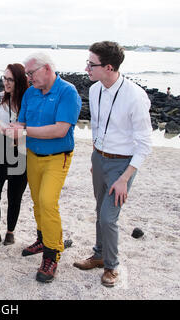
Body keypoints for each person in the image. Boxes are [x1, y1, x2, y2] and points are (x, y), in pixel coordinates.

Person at [0, 52, 81, 283]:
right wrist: (5, 126)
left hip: (56, 157)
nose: (28, 78)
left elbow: (60, 129)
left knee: (48, 202)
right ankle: (42, 238)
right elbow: (23, 123)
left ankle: (52, 254)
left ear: (47, 69)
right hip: (32, 155)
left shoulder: (67, 92)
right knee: (39, 202)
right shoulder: (31, 93)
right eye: (27, 74)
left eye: (31, 73)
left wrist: (24, 131)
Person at [73, 41, 152, 287]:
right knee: (99, 211)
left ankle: (111, 266)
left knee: (108, 217)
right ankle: (98, 254)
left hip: (122, 165)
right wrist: (95, 156)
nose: (87, 68)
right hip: (99, 158)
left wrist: (124, 178)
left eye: (91, 64)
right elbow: (97, 126)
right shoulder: (96, 90)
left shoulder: (135, 96)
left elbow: (145, 144)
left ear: (108, 67)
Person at [0, 63, 28, 248]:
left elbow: (28, 127)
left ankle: (10, 231)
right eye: (4, 78)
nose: (6, 82)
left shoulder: (28, 100)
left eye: (10, 79)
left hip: (21, 151)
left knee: (15, 195)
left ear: (19, 81)